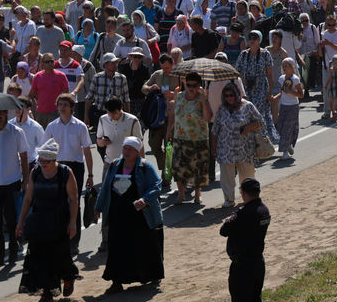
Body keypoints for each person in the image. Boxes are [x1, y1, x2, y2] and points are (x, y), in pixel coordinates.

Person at [93, 136, 164, 294]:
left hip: (140, 216)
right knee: (117, 247)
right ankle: (116, 282)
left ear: (137, 151)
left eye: (130, 149)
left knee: (144, 246)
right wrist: (98, 207)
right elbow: (105, 188)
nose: (126, 152)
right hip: (118, 214)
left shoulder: (145, 167)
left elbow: (156, 185)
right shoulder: (114, 165)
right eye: (125, 148)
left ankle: (152, 276)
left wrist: (144, 200)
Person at [15, 138, 79, 301]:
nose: (43, 163)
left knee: (60, 256)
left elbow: (73, 198)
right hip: (39, 221)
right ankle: (47, 292)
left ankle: (68, 277)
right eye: (41, 160)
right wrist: (21, 221)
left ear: (54, 159)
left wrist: (72, 222)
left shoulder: (65, 172)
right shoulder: (35, 172)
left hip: (59, 222)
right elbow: (28, 199)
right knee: (39, 257)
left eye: (46, 161)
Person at [41, 94, 93, 254]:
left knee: (73, 203)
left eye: (65, 104)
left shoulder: (80, 126)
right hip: (56, 167)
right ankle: (58, 237)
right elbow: (44, 150)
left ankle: (73, 242)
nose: (62, 107)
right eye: (60, 104)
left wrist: (91, 175)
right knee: (56, 203)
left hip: (75, 167)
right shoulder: (51, 126)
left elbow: (87, 150)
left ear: (72, 107)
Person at [0, 108, 29, 266]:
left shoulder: (17, 132)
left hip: (12, 181)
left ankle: (14, 249)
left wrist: (26, 180)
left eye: (0, 113)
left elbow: (24, 156)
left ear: (6, 114)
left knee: (11, 220)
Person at [212, 82, 262, 208]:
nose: (229, 98)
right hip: (226, 149)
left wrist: (249, 127)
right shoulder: (222, 109)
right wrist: (213, 148)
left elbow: (259, 121)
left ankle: (249, 198)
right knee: (226, 178)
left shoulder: (248, 106)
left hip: (245, 149)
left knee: (247, 176)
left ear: (237, 94)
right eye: (226, 95)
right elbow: (215, 130)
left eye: (231, 95)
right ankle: (229, 200)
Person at [220, 176, 270, 302]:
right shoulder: (264, 210)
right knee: (255, 297)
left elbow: (223, 230)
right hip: (258, 262)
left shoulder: (244, 214)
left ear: (243, 193)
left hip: (243, 266)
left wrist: (231, 219)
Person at [166, 72, 211, 203]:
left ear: (199, 85)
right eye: (188, 84)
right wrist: (169, 130)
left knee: (198, 168)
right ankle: (181, 194)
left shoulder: (202, 98)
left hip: (199, 138)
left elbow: (208, 118)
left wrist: (204, 100)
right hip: (180, 136)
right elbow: (173, 114)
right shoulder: (179, 96)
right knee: (178, 167)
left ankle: (197, 194)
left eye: (194, 85)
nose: (191, 88)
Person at [234, 31, 277, 142]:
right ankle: (255, 142)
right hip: (247, 89)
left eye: (255, 38)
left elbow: (270, 74)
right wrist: (243, 80)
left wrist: (270, 92)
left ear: (259, 40)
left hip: (261, 89)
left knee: (260, 115)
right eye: (250, 37)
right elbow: (237, 70)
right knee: (248, 116)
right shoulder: (243, 54)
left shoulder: (265, 54)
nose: (252, 40)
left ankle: (268, 140)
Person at [272, 57, 303, 160]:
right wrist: (276, 97)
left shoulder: (295, 79)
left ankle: (285, 152)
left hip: (293, 106)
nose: (285, 68)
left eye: (287, 66)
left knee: (287, 128)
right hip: (284, 106)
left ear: (292, 67)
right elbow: (282, 92)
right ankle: (288, 144)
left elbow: (301, 94)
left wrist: (291, 92)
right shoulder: (281, 78)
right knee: (280, 126)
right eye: (283, 66)